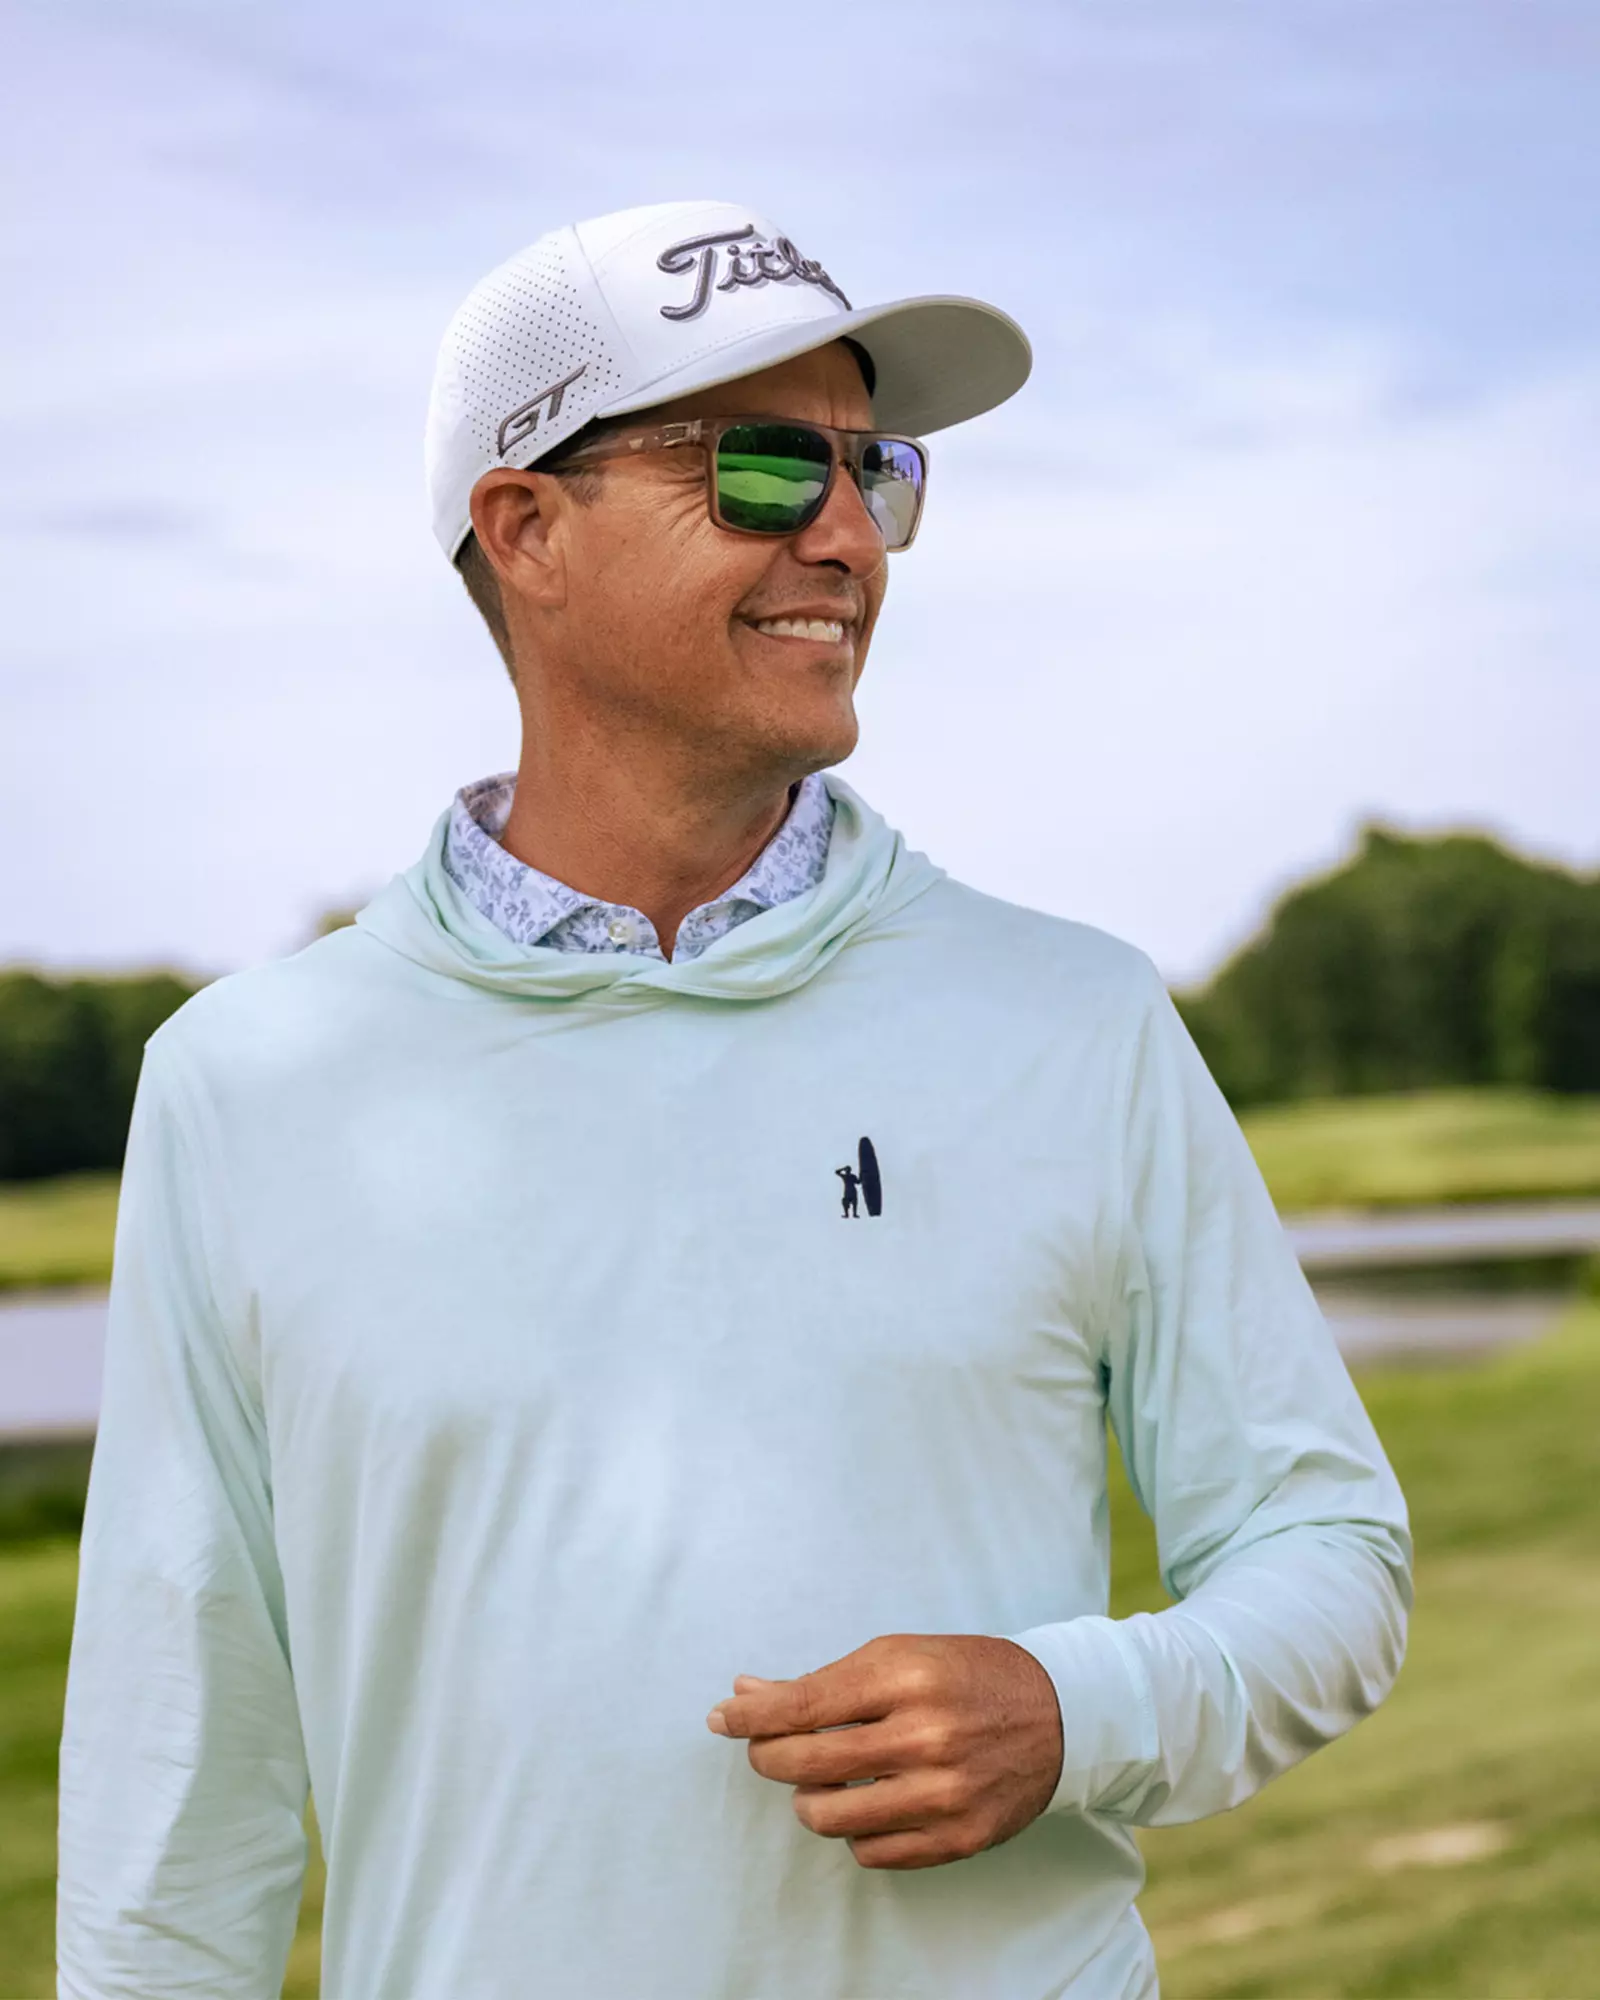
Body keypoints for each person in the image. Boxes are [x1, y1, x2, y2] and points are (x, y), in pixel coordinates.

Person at [56, 200, 1411, 2000]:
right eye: (765, 468)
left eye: (877, 471)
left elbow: (1329, 1552)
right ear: (526, 531)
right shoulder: (244, 1086)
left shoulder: (1078, 1021)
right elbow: (177, 1761)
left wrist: (1077, 1704)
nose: (847, 536)